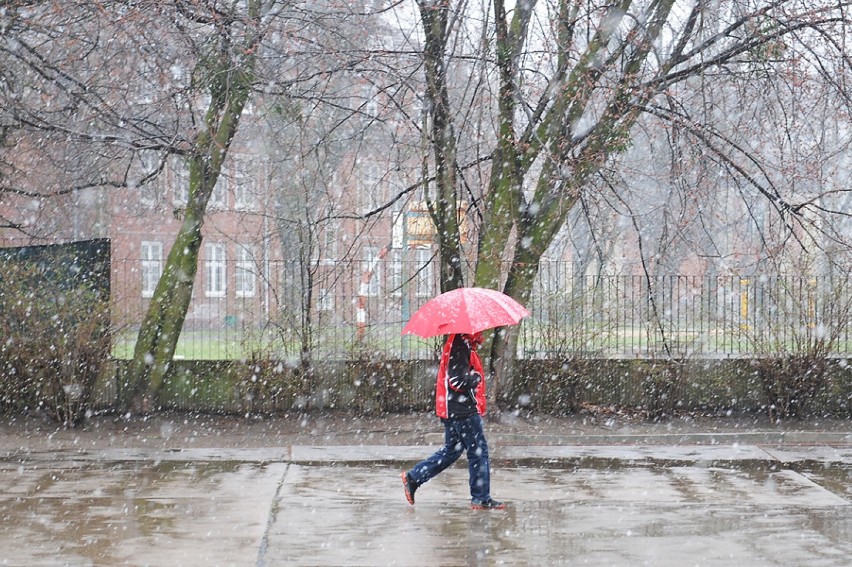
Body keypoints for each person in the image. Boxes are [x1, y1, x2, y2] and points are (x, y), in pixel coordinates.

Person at [401, 331, 506, 510]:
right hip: (462, 411)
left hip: (453, 409)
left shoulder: (461, 343)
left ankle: (414, 477)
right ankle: (480, 498)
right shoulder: (460, 344)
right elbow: (457, 382)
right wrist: (477, 377)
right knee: (478, 452)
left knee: (452, 451)